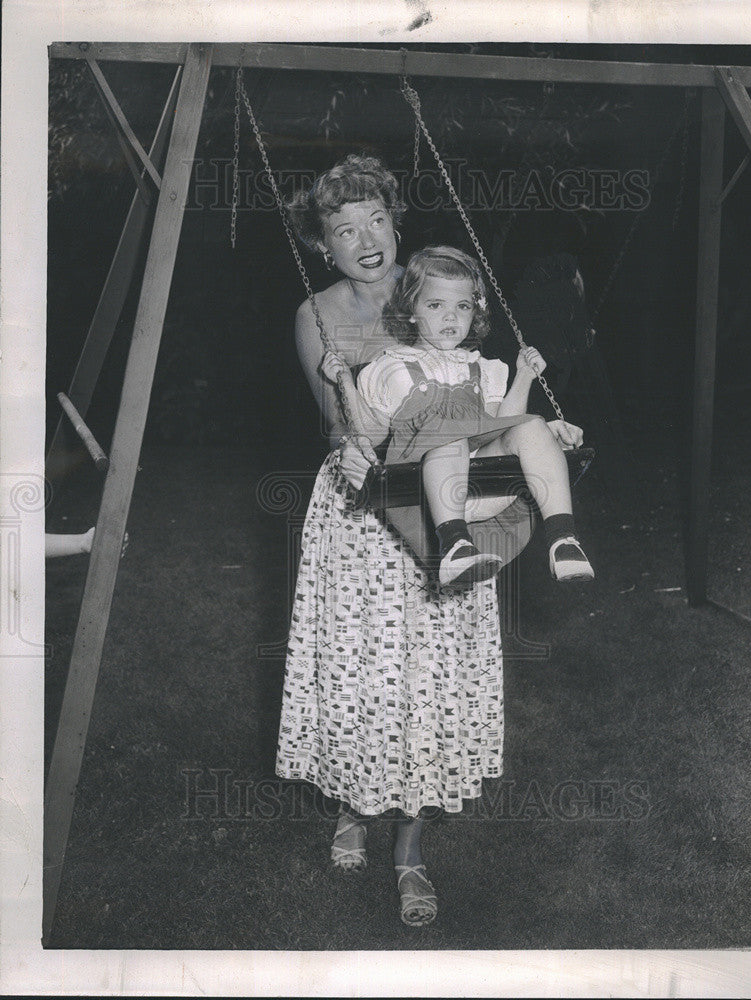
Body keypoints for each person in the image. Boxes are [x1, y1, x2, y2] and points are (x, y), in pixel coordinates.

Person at [274, 153, 585, 929]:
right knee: (361, 671)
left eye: (376, 218)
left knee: (430, 673)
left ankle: (410, 846)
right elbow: (338, 425)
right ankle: (353, 804)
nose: (365, 238)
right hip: (362, 510)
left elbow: (484, 401)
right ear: (322, 245)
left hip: (446, 504)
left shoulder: (437, 293)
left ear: (395, 222)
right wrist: (356, 410)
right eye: (343, 229)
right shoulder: (314, 315)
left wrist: (531, 423)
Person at [323, 245, 594, 588]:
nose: (451, 317)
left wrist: (524, 375)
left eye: (462, 306)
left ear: (475, 312)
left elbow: (503, 425)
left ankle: (563, 539)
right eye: (436, 305)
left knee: (532, 426)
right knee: (448, 435)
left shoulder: (485, 368)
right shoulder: (390, 367)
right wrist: (346, 384)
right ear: (410, 310)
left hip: (487, 488)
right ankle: (455, 546)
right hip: (429, 485)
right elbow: (372, 435)